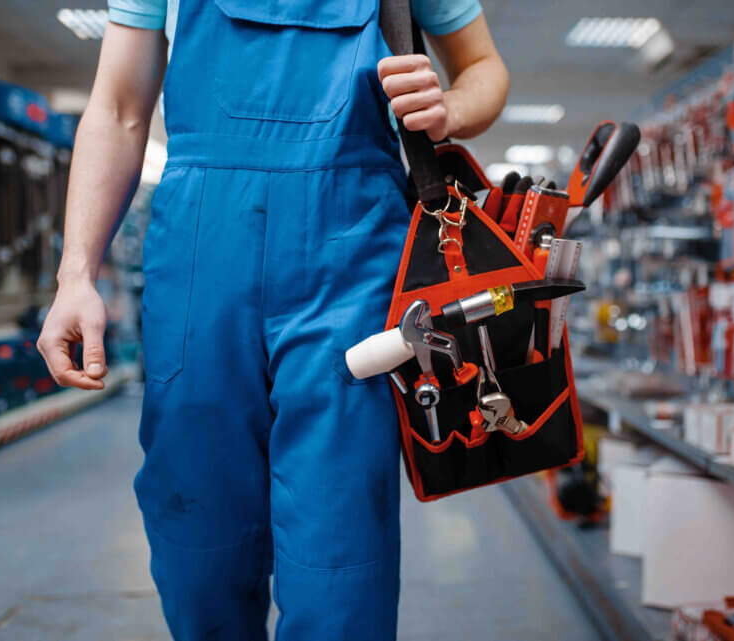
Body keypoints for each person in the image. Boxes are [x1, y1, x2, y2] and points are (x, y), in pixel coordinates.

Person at [36, 0, 508, 639]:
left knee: (341, 558)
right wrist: (75, 275)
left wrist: (450, 108)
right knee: (196, 543)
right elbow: (119, 109)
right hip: (202, 264)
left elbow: (484, 68)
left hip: (352, 266)